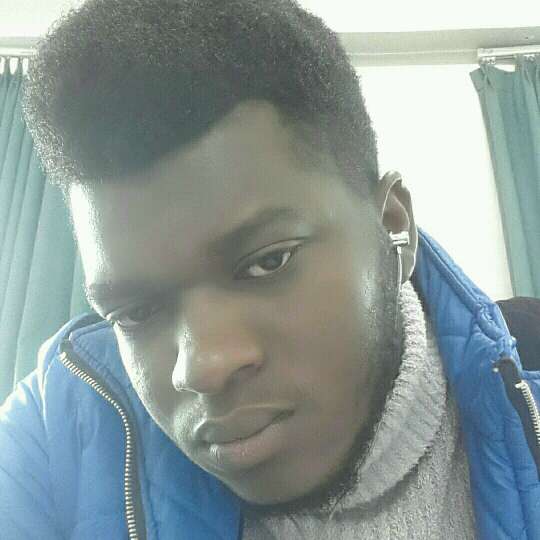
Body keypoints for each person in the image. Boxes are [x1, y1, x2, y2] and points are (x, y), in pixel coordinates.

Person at [1, 0, 539, 538]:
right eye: (136, 312)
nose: (203, 367)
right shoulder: (53, 442)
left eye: (267, 262)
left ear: (392, 225)